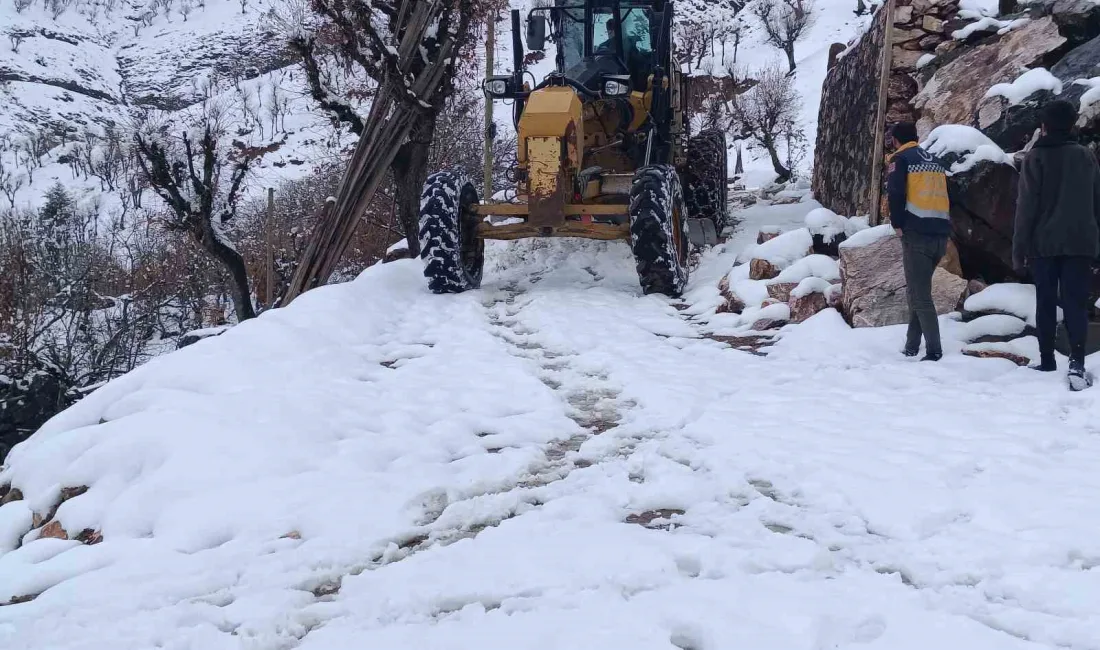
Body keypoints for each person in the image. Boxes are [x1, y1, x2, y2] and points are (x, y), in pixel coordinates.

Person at [1013, 99, 1100, 388]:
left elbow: (1026, 208)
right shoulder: (1086, 156)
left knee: (1046, 301)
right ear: (1072, 124)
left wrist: (1019, 250)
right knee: (1076, 303)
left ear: (1045, 126)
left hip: (1044, 243)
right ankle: (1077, 362)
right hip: (1081, 241)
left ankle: (1047, 359)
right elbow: (1097, 201)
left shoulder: (1034, 159)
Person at [886, 121, 952, 361]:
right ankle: (911, 345)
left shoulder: (900, 159)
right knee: (917, 290)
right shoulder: (934, 159)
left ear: (895, 140)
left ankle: (934, 351)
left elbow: (895, 193)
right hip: (941, 233)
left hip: (917, 233)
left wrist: (897, 224)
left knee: (921, 296)